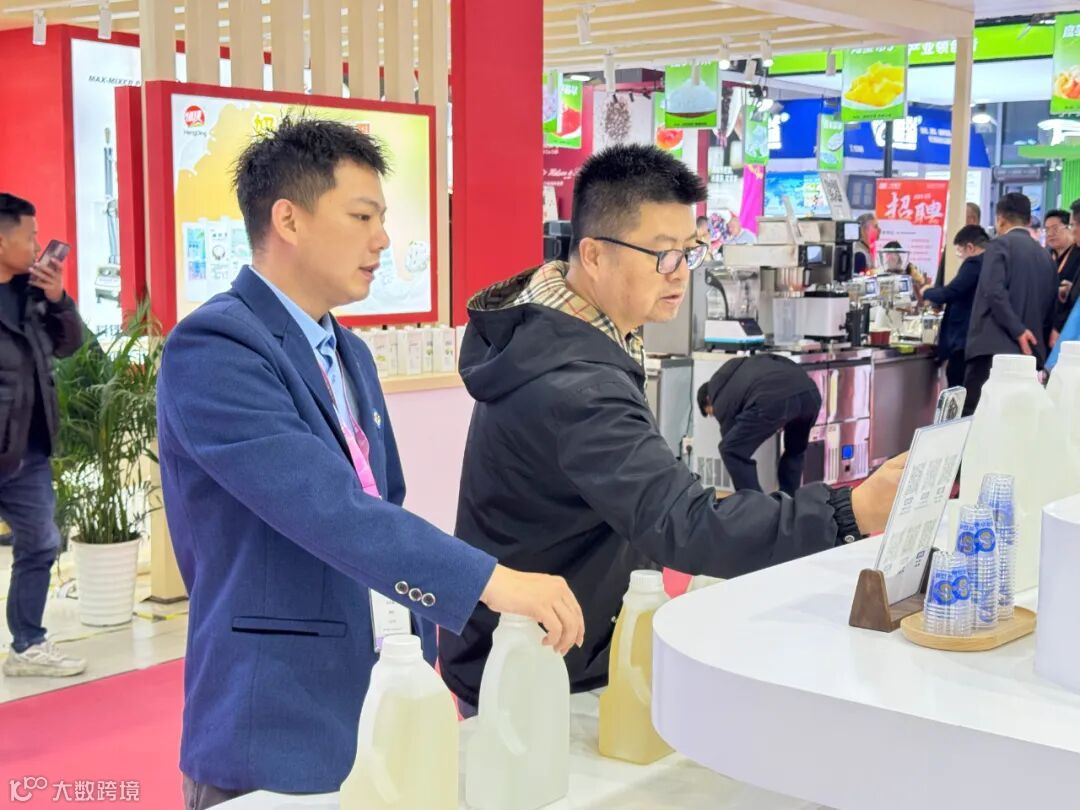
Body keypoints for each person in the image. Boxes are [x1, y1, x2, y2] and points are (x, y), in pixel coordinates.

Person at [156, 118, 584, 808]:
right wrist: (489, 580)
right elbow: (325, 506)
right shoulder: (216, 346)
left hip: (385, 693)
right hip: (276, 713)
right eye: (362, 217)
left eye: (382, 218)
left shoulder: (348, 351)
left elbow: (383, 500)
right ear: (288, 219)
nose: (382, 238)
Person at [438, 144, 906, 713]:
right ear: (594, 254)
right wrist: (849, 512)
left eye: (689, 251)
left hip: (549, 641)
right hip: (538, 664)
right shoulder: (575, 382)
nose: (681, 273)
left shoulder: (556, 335)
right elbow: (682, 522)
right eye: (662, 254)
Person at [0, 193, 86, 679]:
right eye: (30, 236)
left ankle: (28, 644)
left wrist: (58, 300)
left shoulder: (31, 293)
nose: (38, 246)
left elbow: (68, 345)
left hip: (27, 449)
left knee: (40, 542)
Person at [963, 193, 1058, 416]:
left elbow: (993, 291)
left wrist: (1018, 330)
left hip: (991, 351)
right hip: (1029, 357)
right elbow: (1050, 307)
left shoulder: (999, 245)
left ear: (1000, 219)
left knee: (976, 418)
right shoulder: (1046, 256)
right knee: (1016, 422)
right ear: (1028, 220)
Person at [696, 355, 822, 496]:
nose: (715, 415)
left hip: (773, 400)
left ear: (708, 399)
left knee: (730, 450)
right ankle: (790, 501)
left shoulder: (718, 397)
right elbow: (784, 361)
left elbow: (732, 439)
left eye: (711, 413)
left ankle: (756, 503)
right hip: (810, 394)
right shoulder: (743, 366)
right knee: (795, 451)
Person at [921, 225, 989, 388]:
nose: (961, 257)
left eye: (960, 252)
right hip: (981, 339)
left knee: (957, 387)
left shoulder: (974, 263)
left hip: (963, 340)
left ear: (970, 247)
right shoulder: (993, 262)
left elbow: (951, 292)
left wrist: (926, 292)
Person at [1048, 207, 1080, 348]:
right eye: (1047, 229)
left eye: (1055, 229)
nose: (1050, 234)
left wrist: (1058, 326)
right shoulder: (1047, 255)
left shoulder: (1077, 255)